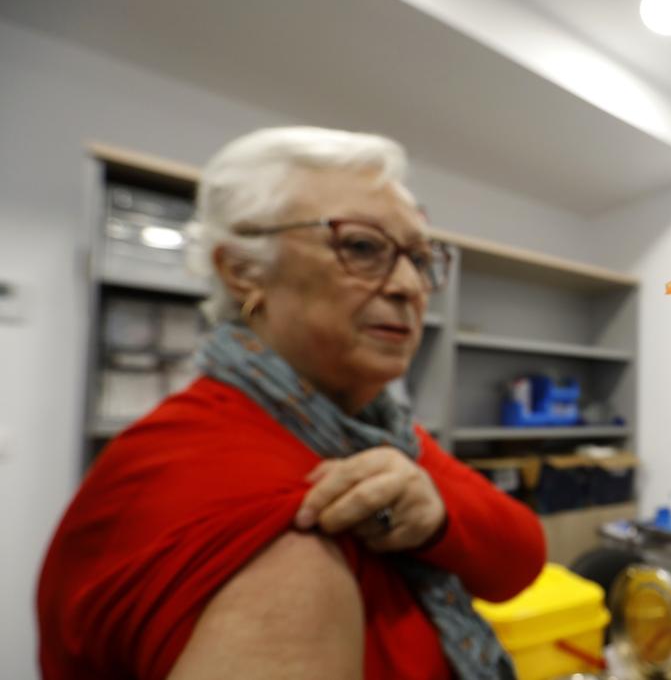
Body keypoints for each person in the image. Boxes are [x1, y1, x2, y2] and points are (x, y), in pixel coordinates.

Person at [38, 127, 546, 679]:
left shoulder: (372, 429)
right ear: (242, 269)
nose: (409, 286)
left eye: (420, 259)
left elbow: (521, 558)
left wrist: (438, 517)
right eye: (362, 247)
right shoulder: (225, 489)